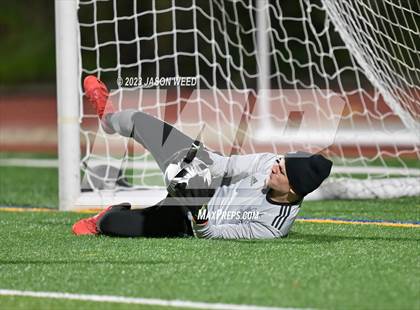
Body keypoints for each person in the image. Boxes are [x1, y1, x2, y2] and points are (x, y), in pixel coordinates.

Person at [72, 76, 332, 239]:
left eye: (282, 171)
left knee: (110, 224)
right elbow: (226, 164)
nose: (275, 166)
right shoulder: (268, 162)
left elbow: (211, 234)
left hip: (189, 219)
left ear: (294, 190)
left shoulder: (273, 227)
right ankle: (107, 117)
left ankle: (104, 217)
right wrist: (194, 168)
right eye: (281, 161)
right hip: (206, 171)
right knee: (137, 121)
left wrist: (198, 211)